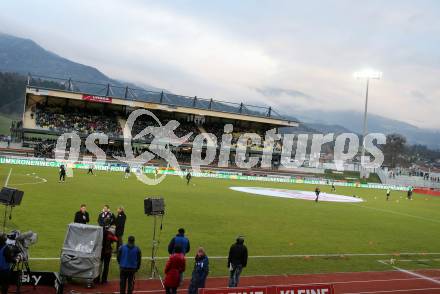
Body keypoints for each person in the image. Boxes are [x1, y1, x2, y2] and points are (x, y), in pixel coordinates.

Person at [97, 219, 118, 284]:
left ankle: (96, 279)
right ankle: (104, 280)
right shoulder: (110, 232)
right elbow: (116, 239)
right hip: (107, 252)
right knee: (106, 266)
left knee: (99, 266)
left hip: (100, 251)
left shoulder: (100, 231)